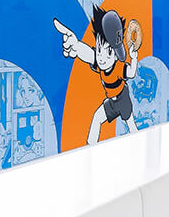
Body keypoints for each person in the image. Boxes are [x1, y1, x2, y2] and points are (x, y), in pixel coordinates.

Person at [53, 9, 141, 144]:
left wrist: (134, 58)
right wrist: (76, 45)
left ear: (116, 54)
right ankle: (90, 146)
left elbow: (131, 73)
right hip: (111, 102)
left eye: (108, 52)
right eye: (99, 50)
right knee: (97, 118)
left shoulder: (118, 67)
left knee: (132, 127)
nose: (102, 57)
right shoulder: (100, 64)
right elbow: (88, 54)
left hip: (123, 99)